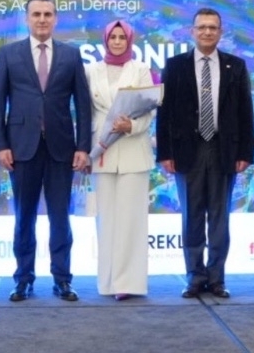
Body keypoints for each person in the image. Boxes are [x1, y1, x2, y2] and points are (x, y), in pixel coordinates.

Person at [0, 0, 93, 302]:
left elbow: (83, 104)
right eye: (36, 14)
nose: (42, 19)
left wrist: (83, 146)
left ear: (55, 19)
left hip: (62, 148)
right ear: (27, 19)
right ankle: (23, 279)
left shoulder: (71, 55)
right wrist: (0, 145)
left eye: (48, 14)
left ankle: (62, 279)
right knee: (24, 217)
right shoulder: (8, 53)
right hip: (22, 148)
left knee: (61, 216)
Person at [157, 8, 254, 300]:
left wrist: (245, 152)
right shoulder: (175, 66)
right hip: (187, 151)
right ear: (192, 31)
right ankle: (195, 277)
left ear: (220, 32)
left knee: (220, 218)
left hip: (224, 150)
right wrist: (165, 153)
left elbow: (245, 112)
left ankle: (217, 278)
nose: (207, 32)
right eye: (202, 27)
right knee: (192, 216)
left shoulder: (236, 66)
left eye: (213, 27)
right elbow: (165, 113)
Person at [84, 20, 155, 300]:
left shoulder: (141, 69)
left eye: (121, 37)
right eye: (112, 37)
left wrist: (132, 126)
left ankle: (128, 284)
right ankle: (107, 282)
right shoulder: (91, 70)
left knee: (131, 221)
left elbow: (149, 110)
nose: (116, 41)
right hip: (101, 150)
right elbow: (85, 112)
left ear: (129, 40)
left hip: (134, 151)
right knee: (106, 221)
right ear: (105, 39)